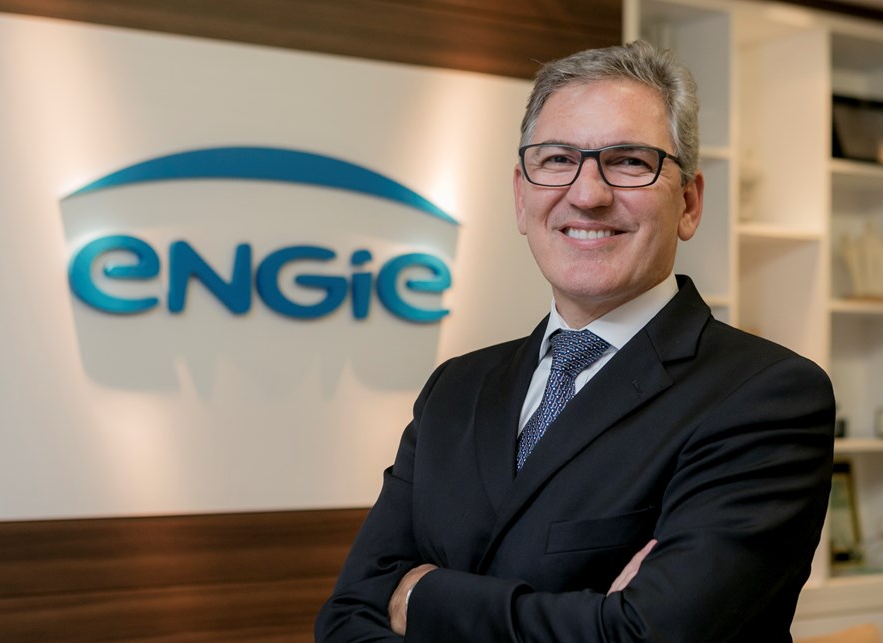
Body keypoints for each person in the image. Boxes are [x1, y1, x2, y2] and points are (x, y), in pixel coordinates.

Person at [315, 40, 835, 642]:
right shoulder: (455, 388)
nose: (588, 194)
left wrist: (421, 596)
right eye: (559, 159)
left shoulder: (767, 396)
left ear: (689, 204)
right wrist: (592, 618)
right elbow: (345, 619)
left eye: (630, 161)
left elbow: (647, 635)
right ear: (521, 197)